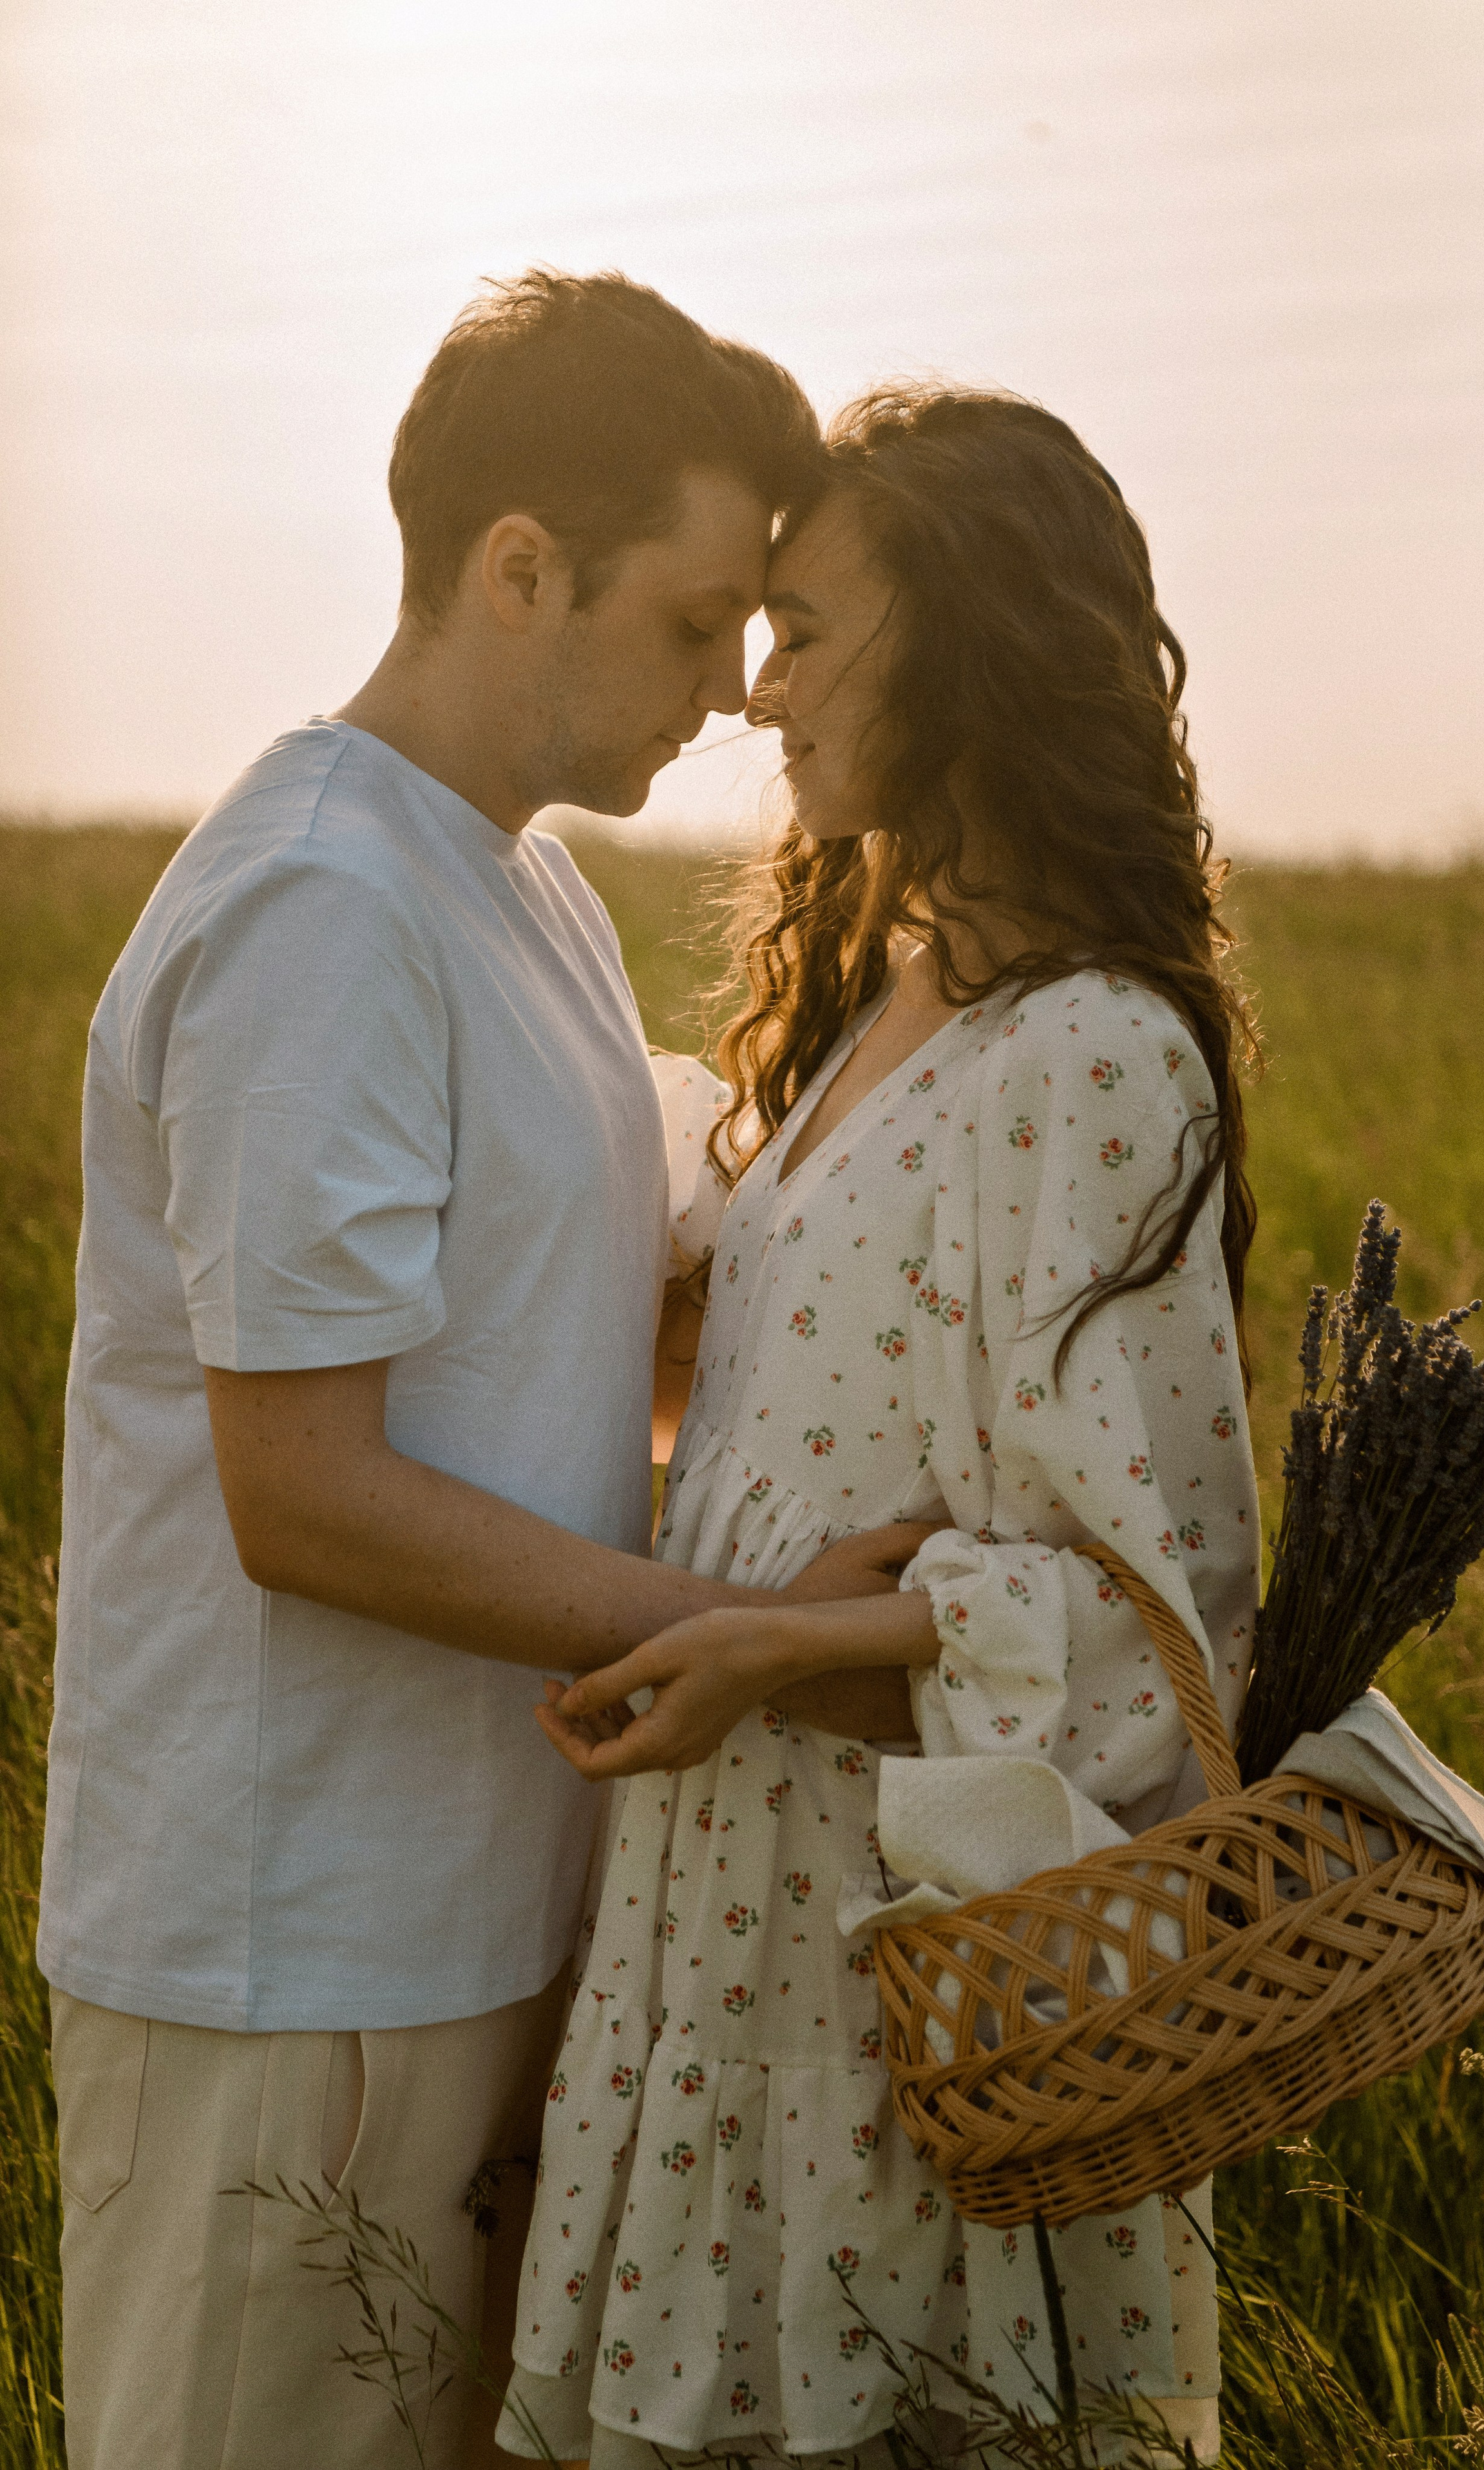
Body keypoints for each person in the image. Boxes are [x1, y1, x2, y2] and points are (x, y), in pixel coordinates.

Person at [39, 271, 911, 2470]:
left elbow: (549, 1353)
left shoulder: (518, 889)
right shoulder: (326, 903)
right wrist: (782, 1643)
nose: (730, 688)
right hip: (291, 1947)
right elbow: (302, 1489)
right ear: (520, 566)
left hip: (482, 1909)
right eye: (694, 620)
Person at [501, 387, 1262, 2470]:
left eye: (813, 627)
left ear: (972, 641)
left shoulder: (1092, 1048)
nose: (760, 689)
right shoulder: (877, 999)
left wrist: (779, 1646)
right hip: (724, 1908)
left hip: (903, 1966)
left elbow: (1147, 1626)